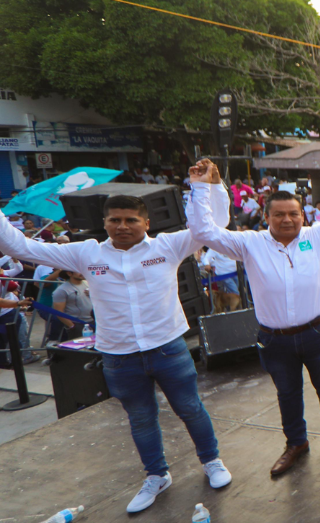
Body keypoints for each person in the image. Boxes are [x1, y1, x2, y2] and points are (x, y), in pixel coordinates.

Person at [0, 187, 234, 513]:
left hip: (168, 348)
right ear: (105, 222)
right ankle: (156, 475)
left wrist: (209, 187)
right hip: (119, 356)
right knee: (140, 419)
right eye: (115, 220)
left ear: (146, 223)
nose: (122, 226)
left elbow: (215, 226)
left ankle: (211, 461)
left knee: (191, 409)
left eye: (130, 220)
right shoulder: (87, 253)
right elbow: (19, 246)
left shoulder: (168, 245)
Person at [186, 159, 320, 477]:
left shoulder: (319, 236)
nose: (287, 219)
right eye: (279, 214)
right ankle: (296, 443)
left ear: (303, 215)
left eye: (293, 213)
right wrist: (202, 187)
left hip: (318, 332)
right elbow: (203, 231)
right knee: (287, 393)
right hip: (274, 338)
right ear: (266, 216)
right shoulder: (250, 243)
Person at [51, 270, 94, 335]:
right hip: (77, 324)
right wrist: (72, 326)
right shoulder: (61, 290)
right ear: (69, 273)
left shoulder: (88, 283)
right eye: (78, 270)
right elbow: (58, 312)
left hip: (93, 321)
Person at [200, 247, 240, 313]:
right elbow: (206, 258)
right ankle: (236, 311)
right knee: (235, 293)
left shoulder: (231, 244)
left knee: (235, 292)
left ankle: (229, 309)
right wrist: (207, 264)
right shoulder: (214, 247)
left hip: (236, 272)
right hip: (223, 274)